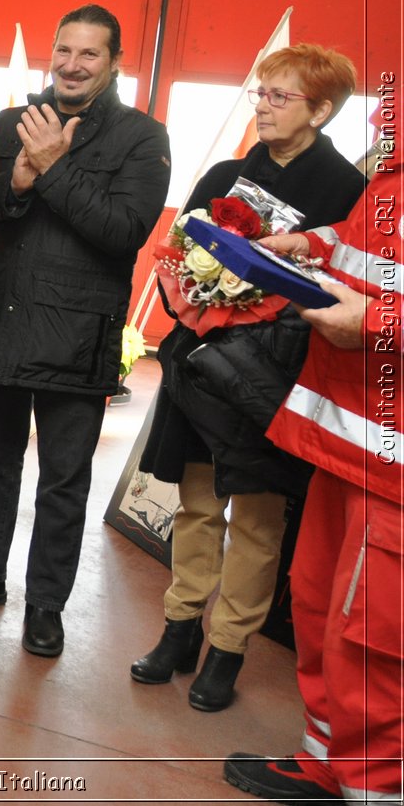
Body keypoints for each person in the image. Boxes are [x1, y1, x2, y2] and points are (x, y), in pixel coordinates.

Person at [0, 4, 171, 658]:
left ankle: (46, 605)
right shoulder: (12, 124)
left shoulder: (143, 138)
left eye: (89, 54)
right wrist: (18, 179)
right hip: (4, 319)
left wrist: (55, 168)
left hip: (78, 340)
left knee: (64, 479)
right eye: (64, 50)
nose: (72, 64)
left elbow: (123, 231)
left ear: (114, 63)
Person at [131, 45, 365, 710]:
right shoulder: (228, 173)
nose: (262, 104)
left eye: (279, 96)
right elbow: (178, 251)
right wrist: (193, 298)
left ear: (321, 110)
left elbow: (338, 287)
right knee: (197, 503)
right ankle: (179, 629)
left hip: (273, 377)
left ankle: (227, 648)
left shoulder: (347, 194)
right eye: (261, 92)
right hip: (204, 366)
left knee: (259, 519)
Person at [223, 169, 402, 806]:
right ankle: (329, 758)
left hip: (393, 464)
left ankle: (377, 787)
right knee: (322, 603)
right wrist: (312, 248)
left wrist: (383, 323)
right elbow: (375, 247)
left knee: (376, 634)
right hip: (352, 435)